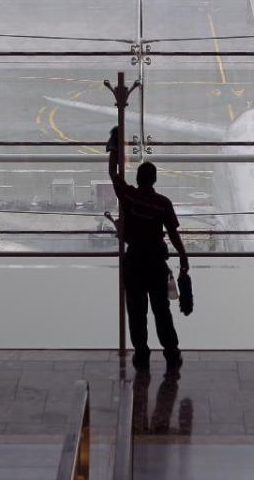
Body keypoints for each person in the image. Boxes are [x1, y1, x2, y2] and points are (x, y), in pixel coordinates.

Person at [107, 126, 189, 370]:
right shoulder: (162, 204)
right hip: (155, 263)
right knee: (161, 311)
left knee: (136, 311)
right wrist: (183, 256)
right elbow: (173, 233)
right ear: (154, 180)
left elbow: (112, 174)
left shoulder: (129, 197)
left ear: (138, 179)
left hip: (134, 262)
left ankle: (141, 353)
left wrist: (113, 147)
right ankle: (171, 353)